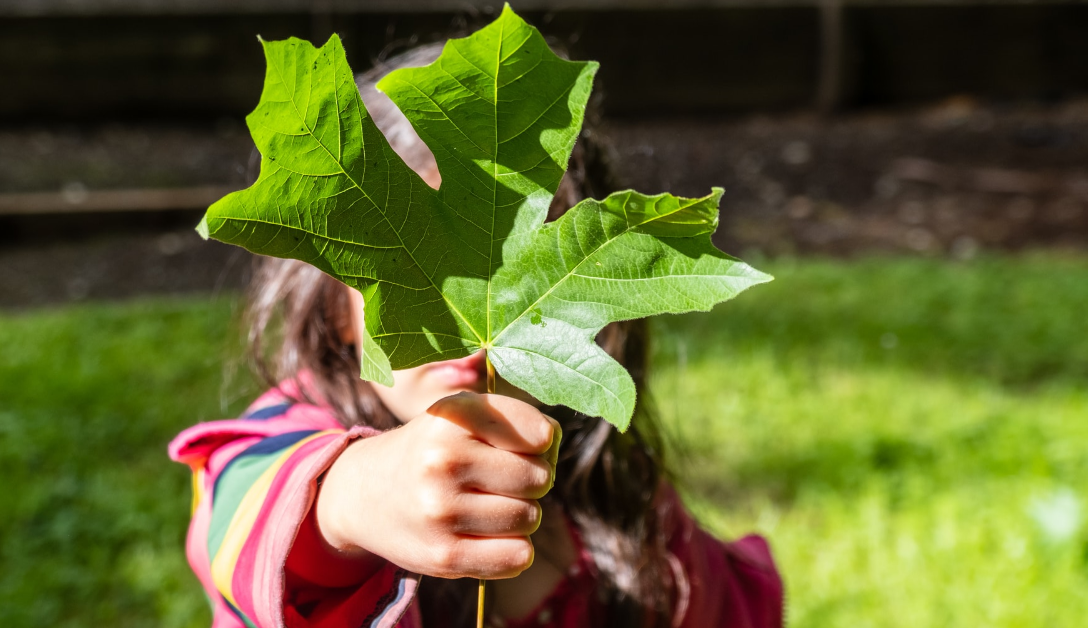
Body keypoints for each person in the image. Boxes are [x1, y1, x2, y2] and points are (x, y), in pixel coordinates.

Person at [169, 43, 782, 628]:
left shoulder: (617, 497)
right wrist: (358, 498)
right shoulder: (284, 439)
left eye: (511, 276)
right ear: (335, 310)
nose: (466, 324)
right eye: (418, 276)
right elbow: (244, 519)